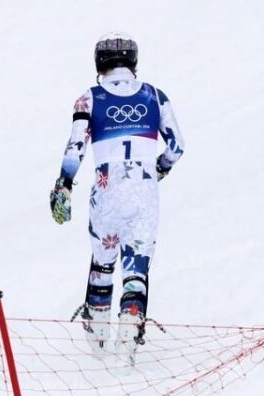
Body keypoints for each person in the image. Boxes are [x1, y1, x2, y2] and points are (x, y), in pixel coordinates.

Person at [50, 32, 185, 349]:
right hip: (143, 188)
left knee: (102, 263)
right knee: (136, 267)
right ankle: (130, 332)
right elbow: (177, 146)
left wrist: (64, 185)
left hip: (106, 188)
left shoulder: (89, 97)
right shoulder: (154, 95)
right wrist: (159, 168)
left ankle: (97, 339)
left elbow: (75, 148)